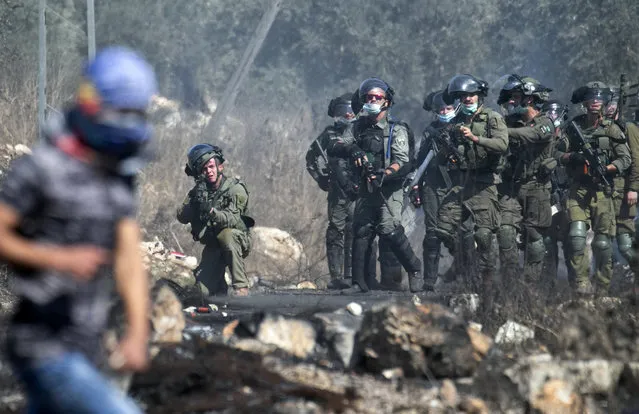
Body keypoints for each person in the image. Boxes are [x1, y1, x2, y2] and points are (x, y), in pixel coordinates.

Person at [0, 46, 155, 413]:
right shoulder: (41, 170)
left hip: (88, 345)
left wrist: (136, 333)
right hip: (42, 343)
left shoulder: (120, 177)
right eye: (124, 111)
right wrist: (56, 258)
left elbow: (129, 259)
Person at [328, 78, 423, 293]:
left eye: (377, 97)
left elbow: (403, 161)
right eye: (369, 97)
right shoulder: (357, 127)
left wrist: (385, 174)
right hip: (365, 186)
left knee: (389, 228)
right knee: (361, 230)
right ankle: (358, 283)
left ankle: (415, 267)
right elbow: (336, 144)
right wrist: (353, 151)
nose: (372, 101)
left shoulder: (396, 129)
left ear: (386, 102)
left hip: (390, 187)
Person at [436, 74, 508, 307]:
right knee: (443, 228)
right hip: (461, 181)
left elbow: (501, 144)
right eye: (462, 96)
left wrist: (475, 138)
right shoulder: (455, 120)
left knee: (484, 235)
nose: (467, 99)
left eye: (471, 95)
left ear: (479, 96)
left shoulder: (492, 118)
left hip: (484, 183)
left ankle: (487, 289)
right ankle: (463, 267)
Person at [558, 81, 631, 294]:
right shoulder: (574, 127)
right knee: (577, 238)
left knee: (602, 243)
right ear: (584, 102)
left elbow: (625, 159)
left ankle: (602, 288)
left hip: (602, 191)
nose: (595, 102)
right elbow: (556, 155)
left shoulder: (612, 129)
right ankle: (580, 285)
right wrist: (574, 157)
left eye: (599, 98)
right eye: (591, 97)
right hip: (578, 190)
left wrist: (607, 168)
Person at [496, 75, 555, 286]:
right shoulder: (510, 122)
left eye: (515, 97)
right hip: (512, 187)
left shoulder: (545, 123)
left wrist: (502, 132)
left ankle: (531, 285)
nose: (511, 102)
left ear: (528, 99)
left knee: (534, 236)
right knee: (504, 231)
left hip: (536, 187)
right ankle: (510, 282)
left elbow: (531, 135)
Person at [412, 89, 472, 290]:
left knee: (459, 234)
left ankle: (466, 274)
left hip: (457, 188)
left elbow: (470, 160)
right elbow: (420, 162)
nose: (445, 112)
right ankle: (429, 281)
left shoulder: (464, 128)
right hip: (432, 186)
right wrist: (415, 187)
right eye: (441, 109)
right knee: (432, 235)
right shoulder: (430, 131)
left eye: (448, 108)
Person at [178, 144, 253, 297]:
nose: (209, 172)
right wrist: (195, 205)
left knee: (227, 235)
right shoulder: (198, 192)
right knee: (201, 293)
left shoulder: (235, 189)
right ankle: (220, 288)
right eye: (204, 169)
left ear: (220, 166)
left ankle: (241, 287)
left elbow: (232, 219)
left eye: (211, 166)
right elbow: (181, 216)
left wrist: (211, 212)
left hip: (237, 240)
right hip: (214, 246)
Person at [306, 94, 358, 290]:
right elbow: (311, 158)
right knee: (335, 232)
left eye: (351, 111)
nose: (347, 115)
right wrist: (321, 178)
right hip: (337, 192)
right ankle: (337, 277)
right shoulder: (328, 135)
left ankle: (355, 275)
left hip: (358, 190)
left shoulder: (362, 132)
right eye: (343, 112)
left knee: (358, 231)